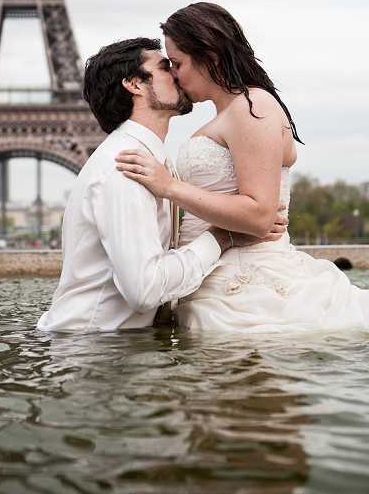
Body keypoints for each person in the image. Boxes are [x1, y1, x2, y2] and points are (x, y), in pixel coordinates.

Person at [115, 3, 369, 333]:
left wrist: (169, 186)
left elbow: (258, 215)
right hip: (217, 277)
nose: (174, 74)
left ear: (210, 57)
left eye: (178, 63)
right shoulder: (236, 111)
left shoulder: (252, 106)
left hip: (247, 283)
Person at [36, 37, 287, 332]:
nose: (178, 74)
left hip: (112, 342)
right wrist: (224, 238)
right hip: (94, 346)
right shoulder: (123, 168)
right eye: (166, 66)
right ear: (135, 84)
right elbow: (146, 289)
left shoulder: (148, 162)